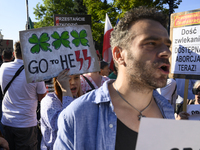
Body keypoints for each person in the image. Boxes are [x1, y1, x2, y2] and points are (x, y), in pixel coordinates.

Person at [54, 7, 174, 149]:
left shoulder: (167, 110)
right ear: (119, 55)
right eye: (150, 43)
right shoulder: (78, 115)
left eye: (167, 45)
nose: (166, 52)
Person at [0, 41, 46, 150]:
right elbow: (42, 98)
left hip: (6, 121)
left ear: (14, 54)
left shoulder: (3, 68)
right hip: (26, 124)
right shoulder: (35, 70)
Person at [40, 69, 82, 150]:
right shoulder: (49, 101)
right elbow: (65, 125)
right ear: (58, 81)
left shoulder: (80, 99)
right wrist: (66, 91)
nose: (73, 82)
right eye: (68, 78)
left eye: (76, 77)